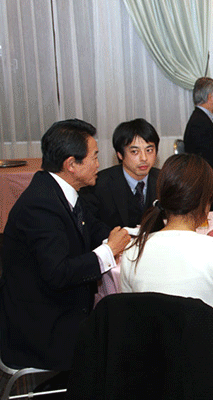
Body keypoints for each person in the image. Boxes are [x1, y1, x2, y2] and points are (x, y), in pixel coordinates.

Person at [120, 153, 213, 400]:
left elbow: (132, 320)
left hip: (153, 380)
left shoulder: (132, 252)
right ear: (206, 203)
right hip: (210, 380)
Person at [0, 119, 130, 371]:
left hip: (59, 309)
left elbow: (94, 228)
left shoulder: (59, 190)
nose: (98, 164)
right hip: (41, 330)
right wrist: (109, 250)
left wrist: (121, 237)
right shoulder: (41, 206)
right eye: (94, 157)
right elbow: (58, 273)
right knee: (129, 341)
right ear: (71, 164)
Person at [80, 118, 160, 228]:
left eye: (149, 150)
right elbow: (92, 228)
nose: (144, 158)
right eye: (135, 152)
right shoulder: (98, 185)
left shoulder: (165, 180)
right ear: (120, 155)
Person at [183, 77, 213, 210]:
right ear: (210, 97)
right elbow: (211, 157)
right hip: (209, 188)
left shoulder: (202, 119)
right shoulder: (198, 123)